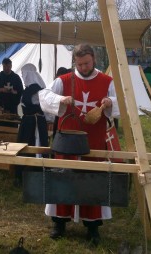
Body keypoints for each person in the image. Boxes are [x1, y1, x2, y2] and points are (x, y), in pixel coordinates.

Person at [38, 44, 119, 246]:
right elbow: (44, 96)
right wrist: (61, 99)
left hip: (94, 142)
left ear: (94, 60)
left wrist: (110, 102)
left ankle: (92, 228)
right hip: (67, 142)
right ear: (75, 62)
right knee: (62, 180)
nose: (83, 67)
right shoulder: (64, 80)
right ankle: (59, 224)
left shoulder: (107, 81)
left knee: (93, 183)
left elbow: (122, 103)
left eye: (87, 63)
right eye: (80, 64)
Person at [14, 63, 49, 187]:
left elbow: (40, 107)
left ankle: (37, 175)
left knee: (35, 146)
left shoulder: (35, 89)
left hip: (34, 124)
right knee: (25, 147)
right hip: (28, 123)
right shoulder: (30, 88)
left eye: (24, 74)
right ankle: (24, 175)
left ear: (28, 74)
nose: (23, 77)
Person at [0, 58, 23, 127]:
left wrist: (14, 92)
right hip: (0, 107)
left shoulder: (16, 78)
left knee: (12, 128)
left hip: (12, 108)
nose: (6, 68)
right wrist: (0, 90)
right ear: (2, 66)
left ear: (11, 66)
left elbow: (21, 91)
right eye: (4, 66)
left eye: (8, 66)